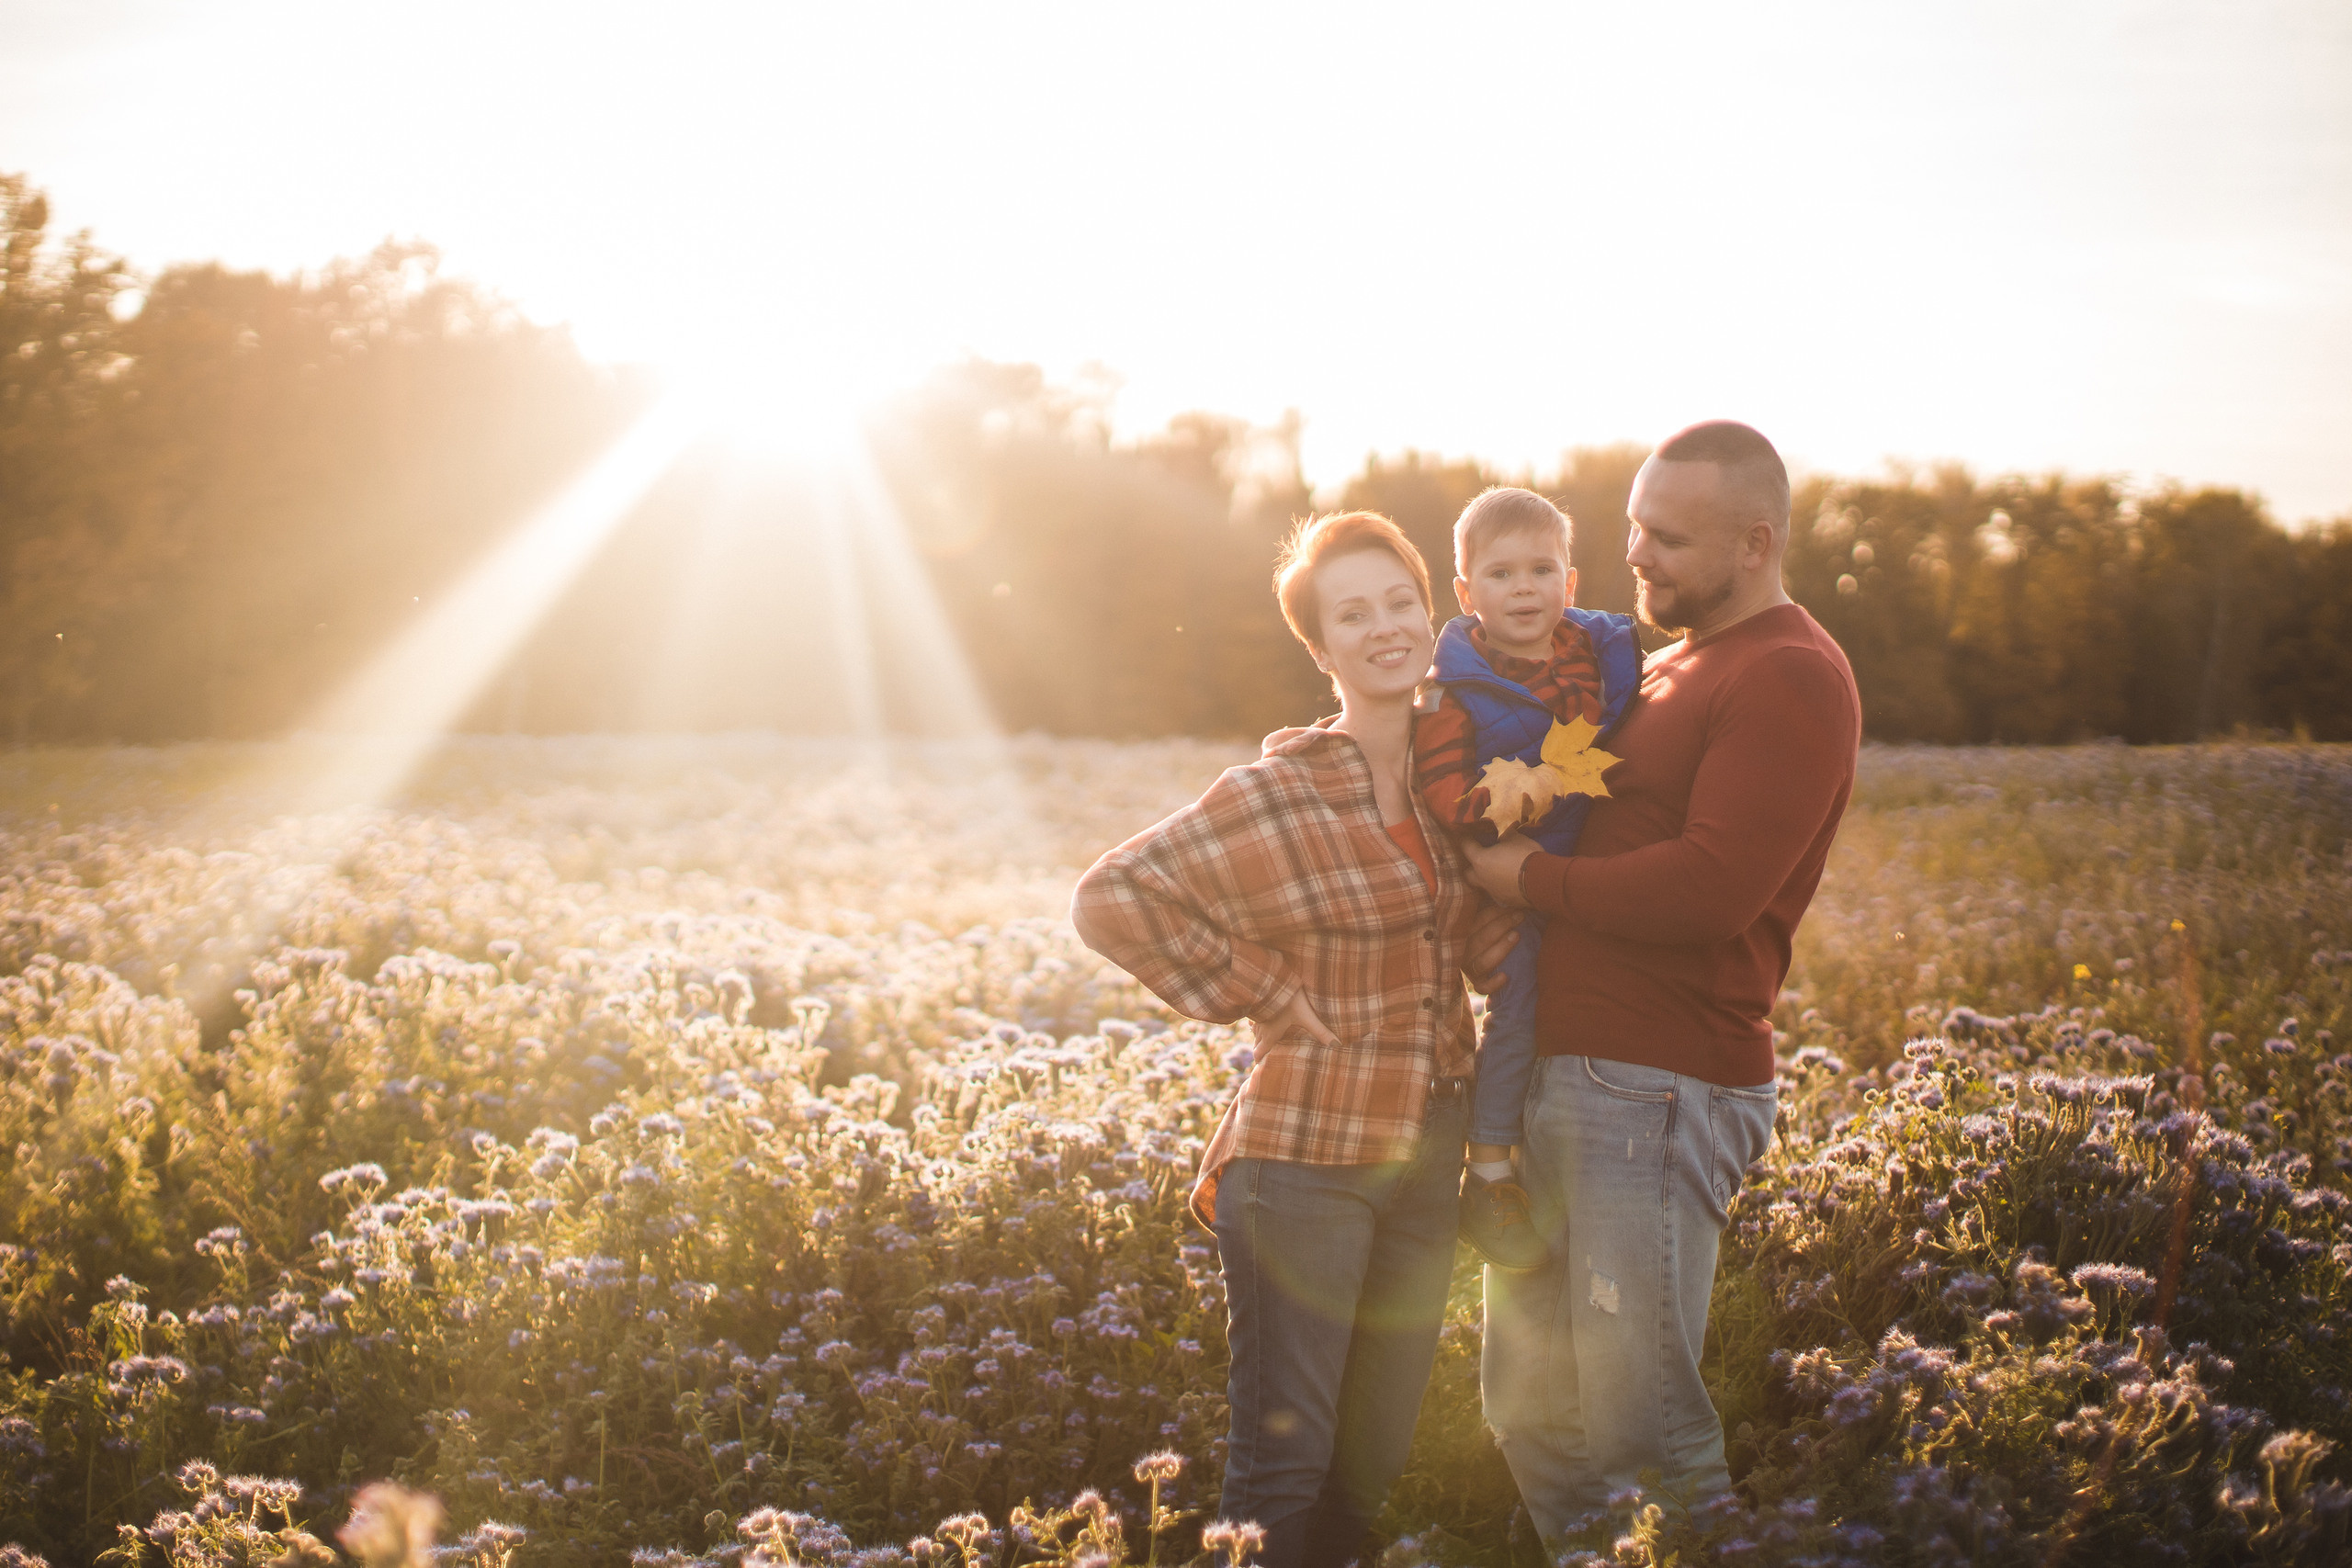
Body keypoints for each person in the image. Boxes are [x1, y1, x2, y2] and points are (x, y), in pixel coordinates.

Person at [1071, 512, 1504, 1568]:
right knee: (1285, 1466)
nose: (1385, 627)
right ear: (1320, 650)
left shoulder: (1461, 784)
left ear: (1430, 613)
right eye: (1352, 615)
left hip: (1425, 1156)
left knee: (1369, 1466)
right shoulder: (1279, 793)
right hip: (1305, 1158)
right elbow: (1112, 894)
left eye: (1400, 602)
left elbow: (1493, 942)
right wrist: (1258, 986)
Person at [1458, 421, 1862, 1542]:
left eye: (1667, 538)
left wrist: (1532, 883)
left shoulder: (1788, 673)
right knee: (1530, 1412)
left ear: (1755, 542)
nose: (1635, 554)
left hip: (1662, 1084)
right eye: (1632, 524)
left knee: (1644, 1431)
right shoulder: (1666, 662)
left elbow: (1710, 891)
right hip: (1570, 1071)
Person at [1412, 488, 1641, 1269]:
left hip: (1585, 865)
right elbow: (1448, 797)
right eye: (1501, 573)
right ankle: (1493, 1165)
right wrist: (1530, 787)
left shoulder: (1597, 651)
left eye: (1541, 569)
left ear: (1570, 585)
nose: (1524, 588)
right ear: (1467, 593)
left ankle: (1554, 1147)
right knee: (1518, 1001)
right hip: (1509, 875)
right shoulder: (1454, 690)